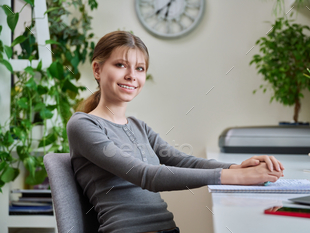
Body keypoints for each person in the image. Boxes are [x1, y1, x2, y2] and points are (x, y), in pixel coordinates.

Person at [66, 31, 284, 233]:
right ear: (97, 69)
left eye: (140, 68)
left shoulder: (138, 126)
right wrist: (234, 177)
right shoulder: (83, 125)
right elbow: (146, 176)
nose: (132, 75)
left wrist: (238, 167)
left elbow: (185, 161)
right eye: (121, 65)